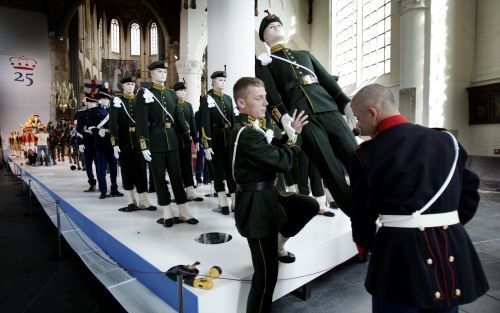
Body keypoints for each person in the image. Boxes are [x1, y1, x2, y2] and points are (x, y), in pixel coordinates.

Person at [349, 84, 489, 313]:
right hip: (449, 247)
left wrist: (364, 245)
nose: (357, 124)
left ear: (372, 113)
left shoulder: (366, 154)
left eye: (357, 117)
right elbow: (469, 191)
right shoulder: (446, 141)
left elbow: (362, 210)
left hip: (399, 254)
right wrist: (445, 224)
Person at [255, 11, 357, 216]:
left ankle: (375, 196)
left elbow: (327, 80)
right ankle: (355, 212)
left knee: (355, 155)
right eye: (270, 27)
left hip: (327, 107)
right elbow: (272, 95)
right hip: (302, 115)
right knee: (328, 167)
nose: (275, 27)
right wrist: (283, 117)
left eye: (278, 25)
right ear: (265, 38)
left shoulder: (305, 55)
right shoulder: (266, 61)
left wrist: (345, 104)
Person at [232, 77, 318, 313]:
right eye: (258, 98)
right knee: (266, 277)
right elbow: (282, 162)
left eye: (265, 97)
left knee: (308, 205)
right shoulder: (245, 133)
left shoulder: (253, 129)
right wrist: (294, 139)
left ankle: (279, 243)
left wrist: (287, 135)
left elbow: (270, 151)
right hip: (256, 207)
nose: (265, 103)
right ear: (241, 103)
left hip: (270, 196)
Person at [135, 60, 198, 228]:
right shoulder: (144, 93)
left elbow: (179, 117)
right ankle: (167, 212)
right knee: (159, 178)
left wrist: (189, 135)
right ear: (152, 74)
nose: (162, 74)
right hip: (155, 142)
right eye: (159, 71)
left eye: (164, 71)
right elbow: (141, 122)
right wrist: (143, 145)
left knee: (177, 176)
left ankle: (183, 211)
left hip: (172, 140)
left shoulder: (171, 94)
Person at [109, 76, 155, 212]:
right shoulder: (118, 101)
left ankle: (144, 201)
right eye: (127, 84)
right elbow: (113, 124)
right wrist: (114, 143)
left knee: (141, 169)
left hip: (139, 140)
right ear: (122, 86)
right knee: (126, 170)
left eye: (132, 84)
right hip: (124, 141)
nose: (130, 87)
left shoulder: (139, 101)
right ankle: (131, 200)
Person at [199, 70, 237, 214]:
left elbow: (232, 121)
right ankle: (222, 201)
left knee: (231, 171)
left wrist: (235, 140)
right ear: (213, 82)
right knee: (218, 171)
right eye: (220, 80)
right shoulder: (207, 99)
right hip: (215, 140)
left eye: (224, 80)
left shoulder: (228, 98)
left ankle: (234, 200)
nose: (222, 83)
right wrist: (207, 144)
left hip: (228, 140)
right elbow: (205, 123)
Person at [88, 90, 123, 199]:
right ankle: (103, 190)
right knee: (101, 168)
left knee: (113, 168)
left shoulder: (113, 110)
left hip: (112, 141)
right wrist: (97, 131)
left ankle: (114, 189)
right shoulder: (93, 111)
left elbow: (119, 124)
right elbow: (89, 126)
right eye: (103, 99)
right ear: (100, 100)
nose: (105, 101)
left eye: (107, 99)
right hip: (100, 142)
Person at [172, 81, 202, 201]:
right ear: (175, 92)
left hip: (186, 140)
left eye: (184, 90)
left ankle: (190, 191)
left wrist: (196, 139)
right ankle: (179, 193)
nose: (183, 93)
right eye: (180, 90)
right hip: (174, 140)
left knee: (187, 166)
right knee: (176, 167)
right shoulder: (171, 104)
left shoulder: (188, 105)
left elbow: (193, 124)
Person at [77, 98, 98, 192]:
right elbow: (79, 129)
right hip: (86, 141)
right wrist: (80, 143)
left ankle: (101, 183)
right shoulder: (81, 113)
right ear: (87, 103)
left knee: (100, 165)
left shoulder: (99, 112)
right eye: (90, 102)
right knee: (88, 165)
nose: (91, 104)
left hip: (97, 141)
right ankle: (92, 183)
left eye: (93, 102)